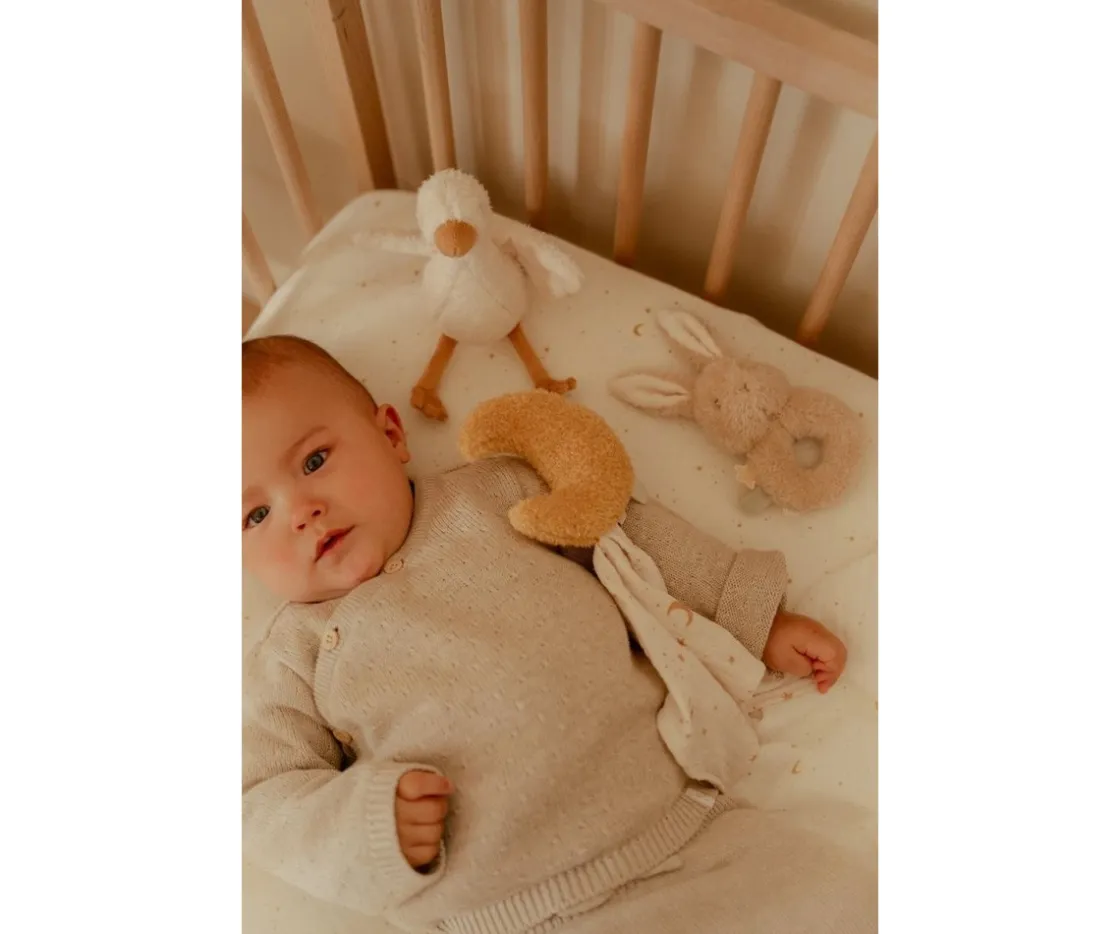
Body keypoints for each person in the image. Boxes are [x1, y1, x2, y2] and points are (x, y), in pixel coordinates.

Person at [241, 334, 874, 934]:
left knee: (836, 898)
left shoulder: (498, 494)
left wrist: (754, 616)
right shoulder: (292, 655)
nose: (301, 512)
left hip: (681, 832)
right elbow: (262, 801)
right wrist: (369, 828)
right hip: (507, 914)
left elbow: (633, 542)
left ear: (390, 433)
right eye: (255, 514)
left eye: (315, 461)